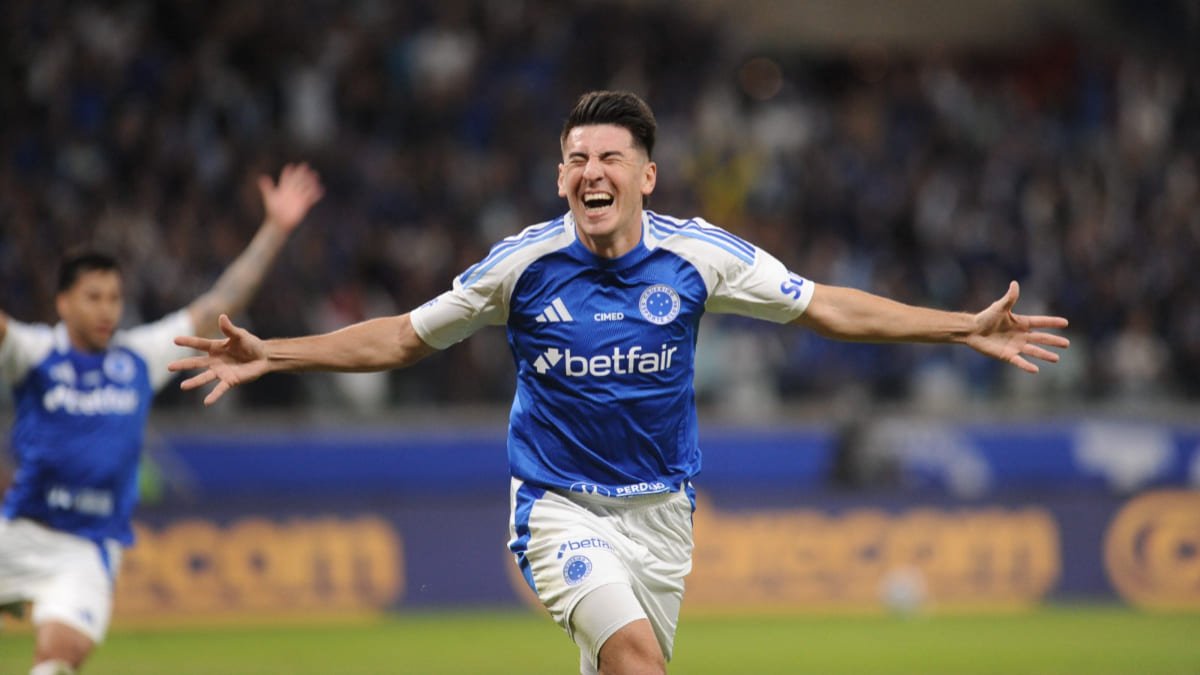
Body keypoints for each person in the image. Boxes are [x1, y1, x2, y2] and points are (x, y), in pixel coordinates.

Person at [169, 92, 1069, 675]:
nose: (589, 172)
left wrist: (962, 325)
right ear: (561, 176)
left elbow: (826, 306)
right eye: (574, 158)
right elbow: (404, 337)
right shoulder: (520, 267)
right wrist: (274, 352)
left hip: (663, 515)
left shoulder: (699, 255)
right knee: (636, 663)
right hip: (559, 507)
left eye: (608, 158)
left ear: (645, 175)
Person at [0, 163, 324, 675]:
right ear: (62, 303)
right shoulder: (33, 352)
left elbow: (221, 301)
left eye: (114, 297)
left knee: (57, 660)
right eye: (93, 297)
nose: (108, 309)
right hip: (16, 530)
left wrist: (276, 228)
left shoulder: (138, 356)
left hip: (85, 549)